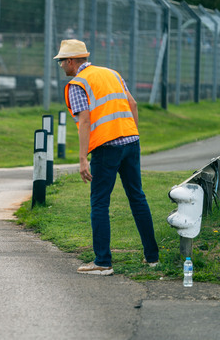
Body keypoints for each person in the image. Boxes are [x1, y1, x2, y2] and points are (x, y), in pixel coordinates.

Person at [54, 39, 159, 276]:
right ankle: (152, 258)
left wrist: (82, 158)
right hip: (131, 141)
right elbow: (132, 103)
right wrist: (134, 136)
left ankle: (102, 262)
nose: (61, 66)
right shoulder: (112, 73)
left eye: (61, 61)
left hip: (106, 147)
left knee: (100, 202)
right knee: (137, 197)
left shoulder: (77, 84)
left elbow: (85, 120)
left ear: (70, 61)